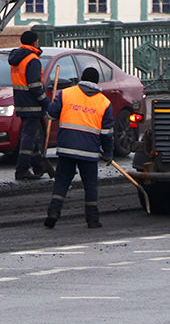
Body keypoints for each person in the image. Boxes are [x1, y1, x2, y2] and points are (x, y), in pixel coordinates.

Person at [44, 66, 113, 229]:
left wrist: (53, 103)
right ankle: (92, 219)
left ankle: (53, 212)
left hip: (66, 147)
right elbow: (107, 132)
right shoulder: (104, 102)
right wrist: (108, 152)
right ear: (97, 82)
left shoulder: (67, 93)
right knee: (90, 185)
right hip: (89, 151)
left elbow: (50, 114)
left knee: (62, 181)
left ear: (81, 78)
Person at [8, 31, 50, 181]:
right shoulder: (32, 59)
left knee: (32, 135)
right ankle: (22, 170)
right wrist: (47, 103)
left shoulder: (17, 58)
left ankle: (39, 166)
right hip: (32, 104)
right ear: (34, 43)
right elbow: (35, 86)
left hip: (21, 102)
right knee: (28, 136)